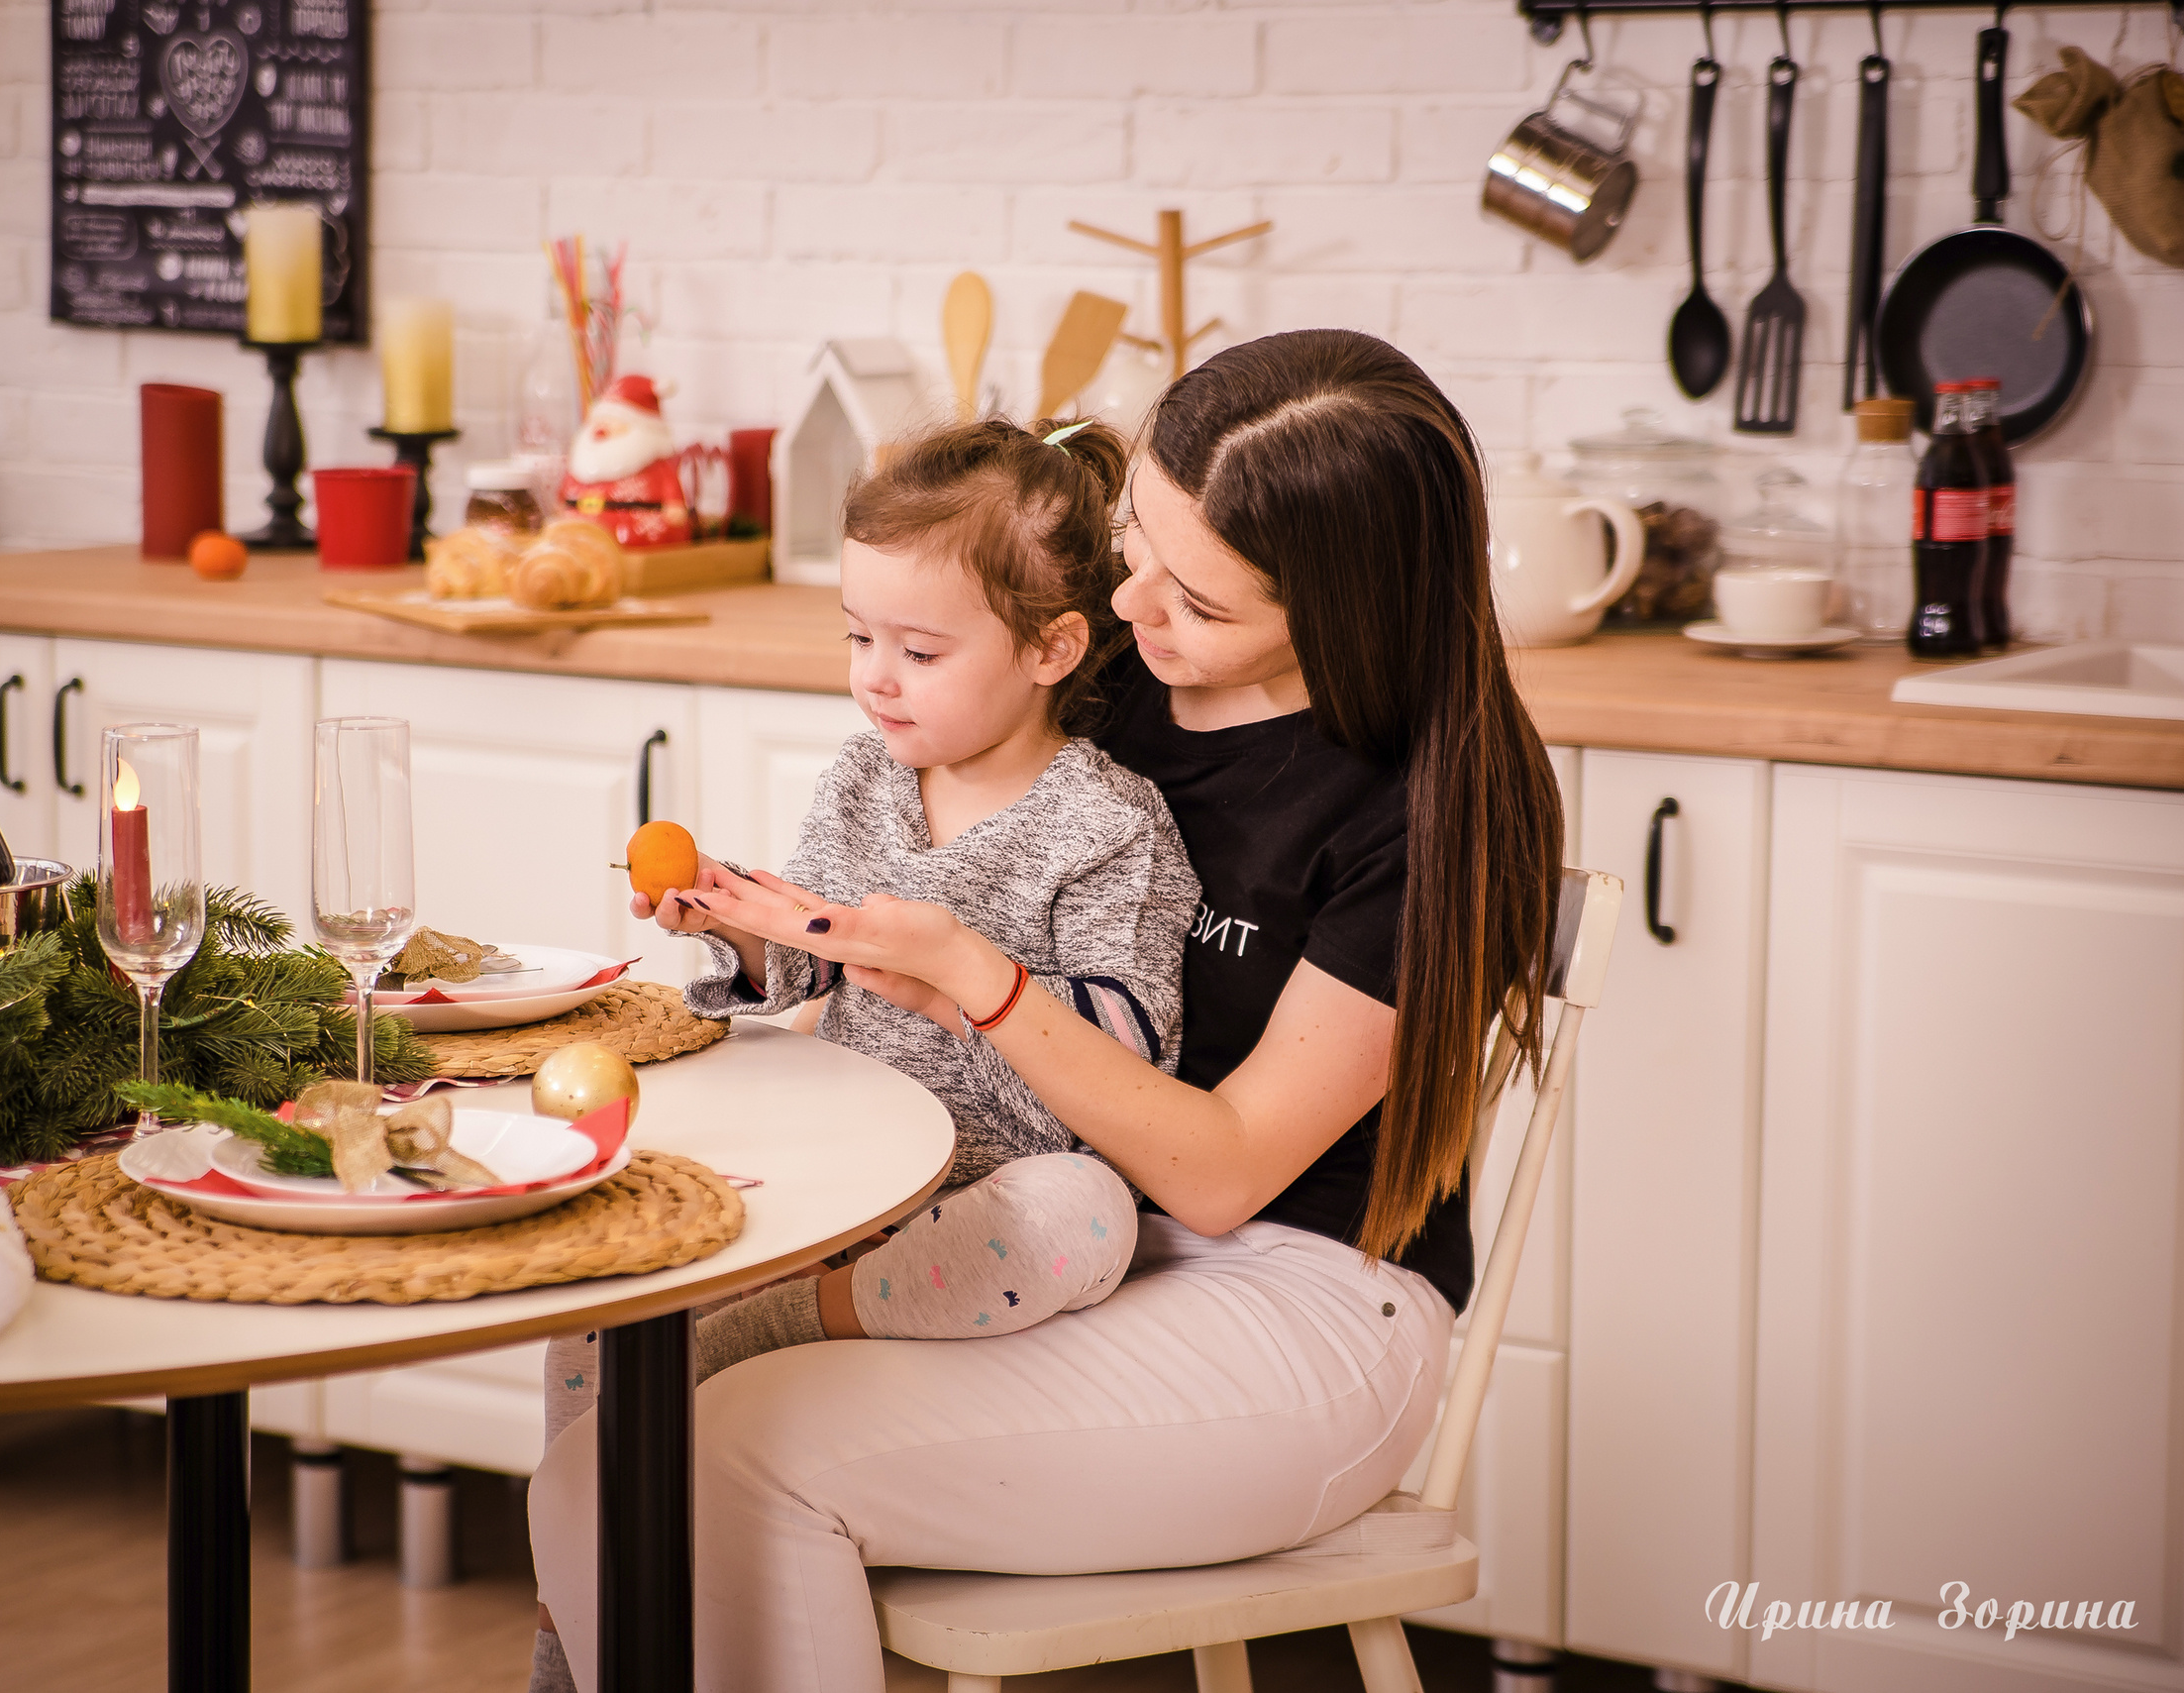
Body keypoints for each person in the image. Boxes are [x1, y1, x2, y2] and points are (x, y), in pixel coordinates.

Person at [529, 330, 1564, 1692]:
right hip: (1014, 1223)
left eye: (1197, 600)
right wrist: (775, 926)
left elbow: (1220, 1173)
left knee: (732, 1457)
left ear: (1343, 608)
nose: (1131, 603)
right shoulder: (1107, 675)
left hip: (1291, 1299)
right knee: (608, 1420)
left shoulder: (1424, 808)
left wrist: (978, 980)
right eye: (1136, 541)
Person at [527, 415, 1198, 1693]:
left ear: (1053, 648)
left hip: (989, 1203)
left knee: (1086, 1211)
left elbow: (1130, 1052)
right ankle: (576, 1653)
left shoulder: (1109, 826)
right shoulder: (863, 783)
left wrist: (961, 980)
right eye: (858, 639)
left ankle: (775, 1325)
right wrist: (734, 925)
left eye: (920, 650)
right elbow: (807, 970)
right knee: (592, 1321)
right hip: (845, 1177)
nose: (876, 680)